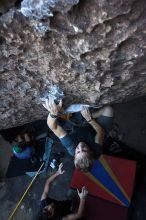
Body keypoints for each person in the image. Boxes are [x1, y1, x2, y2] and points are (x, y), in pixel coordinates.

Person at [43, 97, 114, 172]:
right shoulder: (96, 151)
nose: (80, 147)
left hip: (78, 127)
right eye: (84, 150)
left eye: (78, 152)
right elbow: (100, 132)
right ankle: (89, 115)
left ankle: (84, 115)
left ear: (75, 155)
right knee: (109, 110)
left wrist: (53, 114)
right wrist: (89, 119)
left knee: (70, 114)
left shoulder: (71, 148)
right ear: (91, 152)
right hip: (95, 128)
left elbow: (54, 128)